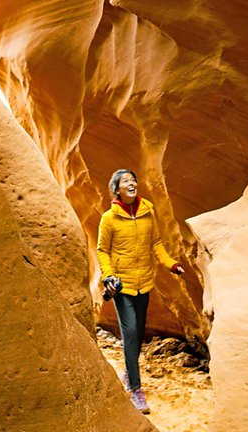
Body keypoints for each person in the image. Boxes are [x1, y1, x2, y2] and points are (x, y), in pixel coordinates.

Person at [96, 168, 184, 414]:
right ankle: (135, 389)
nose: (131, 183)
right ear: (117, 189)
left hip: (144, 282)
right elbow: (102, 250)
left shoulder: (147, 211)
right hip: (121, 285)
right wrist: (109, 275)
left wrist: (171, 264)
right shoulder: (108, 218)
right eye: (125, 181)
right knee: (131, 331)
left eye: (133, 179)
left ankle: (127, 371)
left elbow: (155, 243)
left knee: (137, 333)